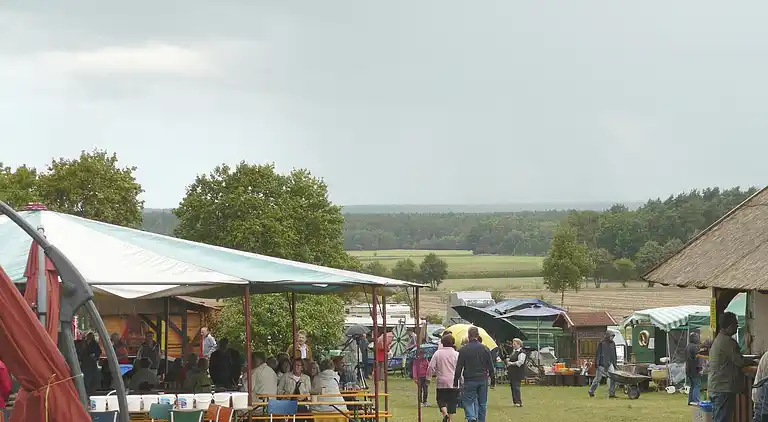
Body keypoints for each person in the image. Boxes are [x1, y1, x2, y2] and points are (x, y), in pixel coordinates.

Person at [709, 311, 746, 422]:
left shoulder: (719, 339)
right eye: (736, 324)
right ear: (730, 326)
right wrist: (754, 360)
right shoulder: (728, 342)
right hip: (723, 388)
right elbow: (740, 361)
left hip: (717, 386)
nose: (737, 326)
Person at [453, 327, 495, 422]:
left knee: (468, 400)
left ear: (468, 336)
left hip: (469, 379)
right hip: (482, 378)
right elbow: (490, 366)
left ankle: (471, 416)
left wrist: (456, 381)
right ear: (478, 335)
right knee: (482, 403)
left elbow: (459, 367)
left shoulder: (463, 350)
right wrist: (493, 380)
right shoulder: (485, 349)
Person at [429, 335, 460, 422]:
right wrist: (461, 379)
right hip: (454, 381)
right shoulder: (456, 354)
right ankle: (450, 419)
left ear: (442, 343)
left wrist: (428, 377)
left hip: (441, 381)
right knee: (452, 402)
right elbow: (460, 368)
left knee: (440, 399)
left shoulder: (438, 353)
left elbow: (431, 366)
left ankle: (445, 414)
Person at [588, 332, 618, 398]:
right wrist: (597, 364)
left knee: (613, 378)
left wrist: (615, 363)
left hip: (609, 363)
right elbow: (598, 354)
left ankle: (611, 393)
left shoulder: (613, 343)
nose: (612, 338)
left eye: (613, 337)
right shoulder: (601, 344)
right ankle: (591, 391)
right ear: (608, 336)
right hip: (601, 363)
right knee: (598, 379)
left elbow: (614, 354)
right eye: (611, 336)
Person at [505, 338, 526, 407]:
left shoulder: (522, 352)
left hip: (517, 373)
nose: (513, 345)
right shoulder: (514, 351)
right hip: (512, 373)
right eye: (513, 344)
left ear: (519, 344)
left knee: (516, 387)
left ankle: (518, 402)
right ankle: (515, 401)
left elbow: (520, 362)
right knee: (513, 387)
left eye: (515, 344)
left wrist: (511, 363)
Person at [686, 332, 703, 405]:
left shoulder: (688, 346)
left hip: (688, 369)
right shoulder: (695, 347)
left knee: (692, 385)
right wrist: (700, 369)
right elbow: (698, 359)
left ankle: (690, 401)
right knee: (696, 385)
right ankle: (696, 401)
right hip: (694, 369)